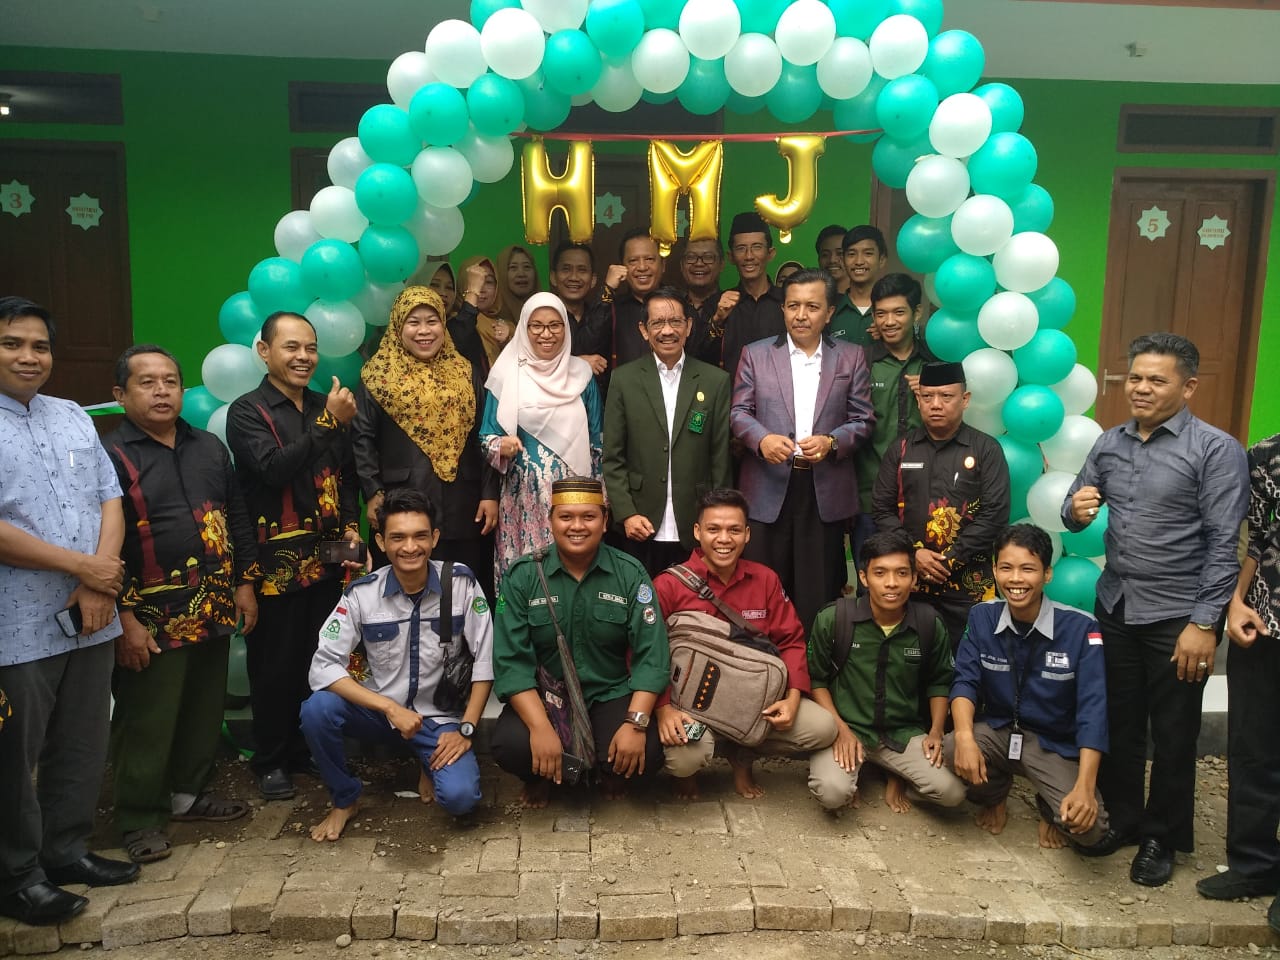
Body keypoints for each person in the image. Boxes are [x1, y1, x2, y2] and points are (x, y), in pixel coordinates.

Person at [1063, 332, 1248, 887]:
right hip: (1117, 604)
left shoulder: (1215, 450)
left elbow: (1224, 544)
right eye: (1135, 377)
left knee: (1173, 732)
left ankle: (1162, 837)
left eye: (1156, 380)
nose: (1140, 389)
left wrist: (1204, 623)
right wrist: (1075, 509)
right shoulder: (1110, 443)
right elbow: (1075, 507)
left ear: (1188, 387)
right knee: (1120, 721)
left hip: (1178, 616)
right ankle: (1123, 818)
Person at [0, 297, 137, 927]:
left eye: (40, 346)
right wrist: (84, 568)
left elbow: (110, 498)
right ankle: (17, 876)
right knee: (15, 750)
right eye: (12, 344)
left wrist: (100, 580)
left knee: (82, 738)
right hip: (17, 623)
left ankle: (66, 850)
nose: (29, 357)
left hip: (91, 612)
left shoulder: (72, 416)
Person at [103, 345, 257, 863]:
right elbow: (101, 543)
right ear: (120, 394)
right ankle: (139, 816)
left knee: (201, 707)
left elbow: (236, 516)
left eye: (170, 381)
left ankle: (188, 794)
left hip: (213, 605)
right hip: (149, 616)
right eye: (147, 382)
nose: (162, 391)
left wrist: (244, 584)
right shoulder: (111, 456)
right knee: (148, 716)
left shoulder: (208, 447)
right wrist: (124, 617)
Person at [301, 488, 493, 841]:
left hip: (439, 720)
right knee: (317, 709)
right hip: (380, 715)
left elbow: (484, 660)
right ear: (381, 541)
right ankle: (345, 799)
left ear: (434, 538)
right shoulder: (363, 594)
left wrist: (466, 729)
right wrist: (389, 708)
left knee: (461, 799)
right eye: (398, 537)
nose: (410, 547)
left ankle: (428, 761)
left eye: (420, 536)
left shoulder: (461, 584)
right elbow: (324, 666)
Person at [228, 311, 363, 801]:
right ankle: (270, 759)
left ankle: (307, 749)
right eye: (291, 347)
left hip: (327, 561)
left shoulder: (324, 408)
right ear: (264, 352)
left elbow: (346, 477)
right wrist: (330, 422)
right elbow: (273, 469)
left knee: (319, 658)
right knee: (275, 666)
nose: (304, 357)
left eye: (310, 347)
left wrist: (352, 528)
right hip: (274, 568)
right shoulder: (247, 412)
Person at [490, 477, 669, 808]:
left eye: (588, 516)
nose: (577, 526)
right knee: (511, 746)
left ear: (605, 520)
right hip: (548, 698)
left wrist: (635, 724)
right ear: (551, 520)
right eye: (566, 517)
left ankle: (605, 772)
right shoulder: (523, 576)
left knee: (650, 749)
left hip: (610, 693)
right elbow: (510, 662)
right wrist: (540, 728)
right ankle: (542, 776)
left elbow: (652, 655)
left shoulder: (630, 573)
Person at [947, 523, 1119, 855]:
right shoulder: (982, 617)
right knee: (952, 748)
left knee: (1089, 830)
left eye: (1028, 569)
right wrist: (965, 737)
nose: (1016, 579)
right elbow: (965, 681)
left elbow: (1093, 711)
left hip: (1053, 746)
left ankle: (1049, 807)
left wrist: (1084, 788)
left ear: (1047, 574)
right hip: (998, 733)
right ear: (995, 570)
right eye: (1006, 568)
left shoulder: (1081, 629)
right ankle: (995, 795)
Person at [654, 488, 836, 799]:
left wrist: (793, 698)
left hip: (754, 704)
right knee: (684, 760)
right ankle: (694, 768)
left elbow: (791, 640)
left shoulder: (765, 579)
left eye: (734, 530)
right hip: (693, 706)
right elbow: (646, 651)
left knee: (823, 728)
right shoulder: (669, 585)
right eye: (713, 529)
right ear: (697, 532)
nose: (724, 539)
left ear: (747, 534)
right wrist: (663, 709)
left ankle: (742, 756)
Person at [731, 269, 874, 633]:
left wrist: (832, 442)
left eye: (812, 306)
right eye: (793, 305)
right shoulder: (756, 354)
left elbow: (863, 419)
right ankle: (763, 661)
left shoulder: (851, 356)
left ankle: (813, 662)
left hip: (823, 490)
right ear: (783, 309)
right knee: (763, 589)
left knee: (818, 590)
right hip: (768, 486)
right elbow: (739, 413)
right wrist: (761, 439)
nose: (801, 315)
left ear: (829, 313)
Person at [352, 286, 499, 600]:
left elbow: (484, 435)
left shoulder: (465, 371)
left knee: (463, 590)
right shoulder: (377, 375)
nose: (424, 331)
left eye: (432, 321)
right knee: (403, 593)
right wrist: (373, 491)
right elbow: (362, 437)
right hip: (401, 503)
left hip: (464, 503)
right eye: (413, 322)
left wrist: (489, 493)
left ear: (443, 325)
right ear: (398, 325)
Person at [807, 529, 965, 814]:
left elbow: (939, 681)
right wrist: (840, 729)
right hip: (848, 729)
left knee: (951, 793)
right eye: (880, 573)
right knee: (832, 794)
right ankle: (864, 773)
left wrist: (936, 731)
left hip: (902, 734)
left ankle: (895, 774)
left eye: (902, 573)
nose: (891, 583)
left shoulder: (928, 623)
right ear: (864, 577)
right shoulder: (835, 618)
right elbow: (817, 680)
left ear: (914, 578)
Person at [1196, 433, 1280, 921]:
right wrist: (1235, 603)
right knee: (1252, 748)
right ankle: (1254, 862)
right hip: (1265, 625)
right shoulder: (1267, 454)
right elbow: (1256, 536)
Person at [873, 360, 1010, 647]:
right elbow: (882, 510)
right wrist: (914, 554)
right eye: (927, 396)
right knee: (911, 659)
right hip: (911, 583)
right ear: (918, 400)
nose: (936, 404)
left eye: (946, 396)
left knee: (971, 660)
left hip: (968, 585)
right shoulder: (900, 449)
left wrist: (950, 558)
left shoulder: (986, 450)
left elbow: (995, 515)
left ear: (965, 399)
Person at [602, 286, 732, 576]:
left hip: (696, 522)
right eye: (658, 323)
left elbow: (720, 459)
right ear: (644, 330)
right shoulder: (624, 379)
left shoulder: (715, 381)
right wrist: (626, 513)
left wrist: (717, 518)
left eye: (675, 321)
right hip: (640, 522)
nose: (667, 331)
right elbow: (613, 457)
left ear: (689, 326)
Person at [480, 293, 604, 581]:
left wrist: (600, 504)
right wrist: (501, 445)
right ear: (524, 328)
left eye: (554, 325)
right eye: (536, 326)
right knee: (527, 578)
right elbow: (486, 437)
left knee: (574, 575)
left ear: (566, 328)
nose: (546, 334)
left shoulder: (582, 375)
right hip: (524, 499)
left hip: (574, 500)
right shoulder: (506, 376)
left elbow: (597, 444)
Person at [852, 274, 933, 567]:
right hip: (870, 496)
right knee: (871, 578)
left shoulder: (935, 363)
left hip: (928, 495)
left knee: (924, 579)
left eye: (898, 312)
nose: (889, 322)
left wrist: (932, 395)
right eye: (881, 314)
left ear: (917, 313)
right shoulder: (860, 362)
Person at [590, 229, 667, 377]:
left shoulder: (679, 306)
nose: (642, 267)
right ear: (622, 267)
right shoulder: (612, 308)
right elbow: (588, 346)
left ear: (663, 265)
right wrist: (607, 289)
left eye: (649, 259)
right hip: (622, 390)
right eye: (633, 261)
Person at [720, 211, 786, 379]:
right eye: (741, 248)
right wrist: (717, 320)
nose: (749, 256)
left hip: (780, 393)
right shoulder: (718, 304)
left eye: (757, 247)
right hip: (733, 393)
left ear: (770, 253)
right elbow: (700, 356)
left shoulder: (788, 302)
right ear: (731, 257)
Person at [548, 241, 608, 377]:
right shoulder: (542, 317)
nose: (574, 277)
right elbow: (532, 362)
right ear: (553, 277)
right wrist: (578, 363)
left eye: (582, 270)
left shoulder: (601, 316)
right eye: (566, 269)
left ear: (593, 280)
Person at [830, 226, 888, 347]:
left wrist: (893, 335)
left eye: (868, 254)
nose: (859, 261)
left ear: (881, 260)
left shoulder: (892, 310)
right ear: (843, 260)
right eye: (851, 254)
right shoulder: (829, 309)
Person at [454, 255, 511, 372]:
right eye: (475, 282)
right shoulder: (453, 323)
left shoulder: (508, 327)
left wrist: (506, 343)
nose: (481, 289)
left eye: (488, 282)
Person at [495, 244, 541, 325]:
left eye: (527, 267)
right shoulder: (493, 315)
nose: (521, 274)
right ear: (502, 273)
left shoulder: (548, 310)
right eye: (513, 267)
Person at [815, 224, 848, 294]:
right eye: (825, 255)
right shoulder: (810, 296)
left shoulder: (867, 296)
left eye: (840, 253)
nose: (832, 260)